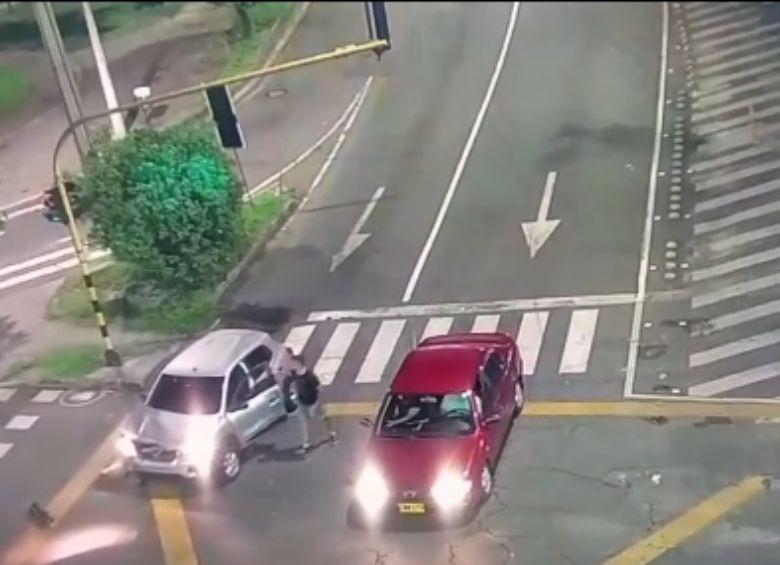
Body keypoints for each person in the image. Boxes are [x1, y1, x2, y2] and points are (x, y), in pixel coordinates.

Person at [283, 351, 337, 455]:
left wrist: (318, 395)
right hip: (302, 402)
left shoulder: (309, 375)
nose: (291, 365)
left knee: (322, 417)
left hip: (313, 402)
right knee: (303, 422)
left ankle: (331, 433)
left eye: (293, 363)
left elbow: (318, 386)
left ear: (299, 364)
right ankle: (306, 444)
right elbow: (288, 380)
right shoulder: (294, 374)